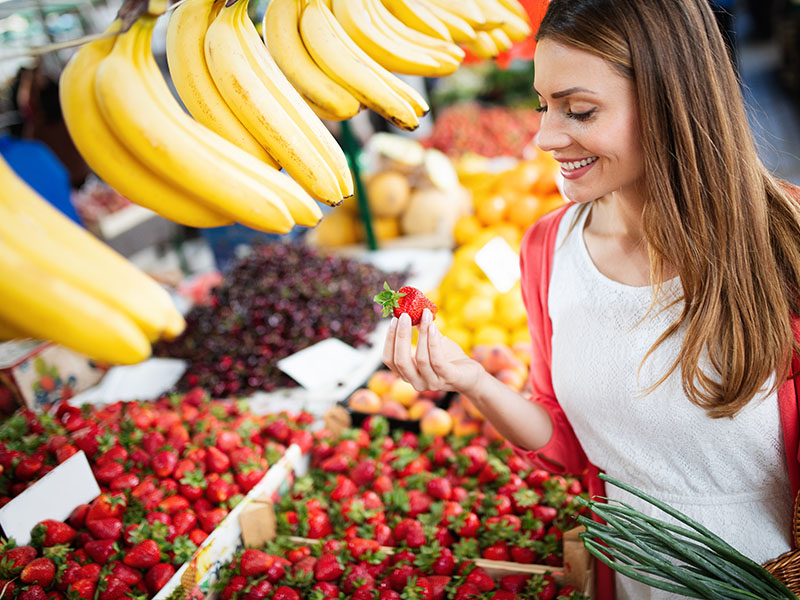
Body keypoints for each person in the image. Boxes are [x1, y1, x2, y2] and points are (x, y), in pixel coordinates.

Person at [381, 0, 800, 598]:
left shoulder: (784, 240)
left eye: (579, 110)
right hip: (629, 580)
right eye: (543, 105)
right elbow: (563, 442)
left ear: (669, 102)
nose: (546, 136)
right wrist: (471, 379)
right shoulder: (547, 250)